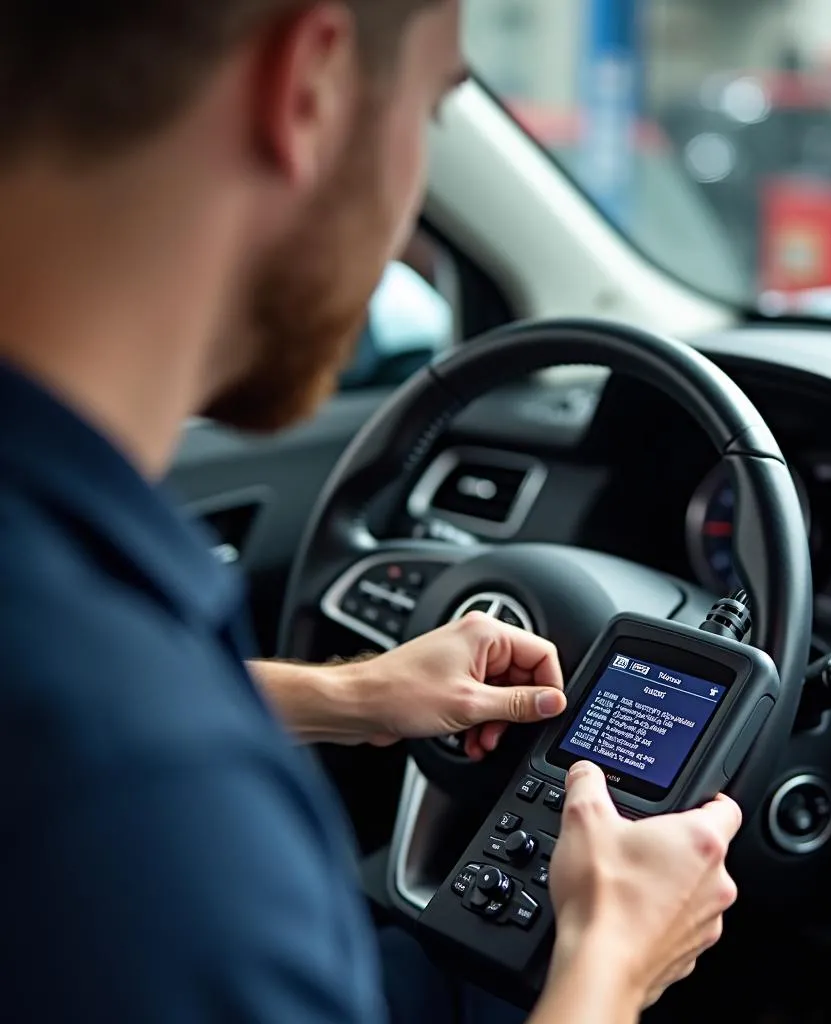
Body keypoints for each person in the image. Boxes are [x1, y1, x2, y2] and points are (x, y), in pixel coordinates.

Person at [0, 2, 741, 1023]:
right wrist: (609, 962)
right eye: (432, 113)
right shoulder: (148, 805)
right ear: (308, 85)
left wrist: (350, 696)